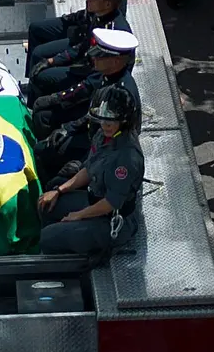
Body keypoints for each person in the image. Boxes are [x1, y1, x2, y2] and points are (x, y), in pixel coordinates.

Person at [38, 84, 145, 260]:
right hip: (93, 200)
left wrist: (77, 216)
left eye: (110, 122)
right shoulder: (104, 136)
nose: (105, 125)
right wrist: (59, 191)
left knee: (49, 238)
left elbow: (111, 203)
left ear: (124, 121)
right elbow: (89, 169)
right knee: (46, 205)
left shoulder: (127, 157)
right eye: (102, 120)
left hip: (112, 218)